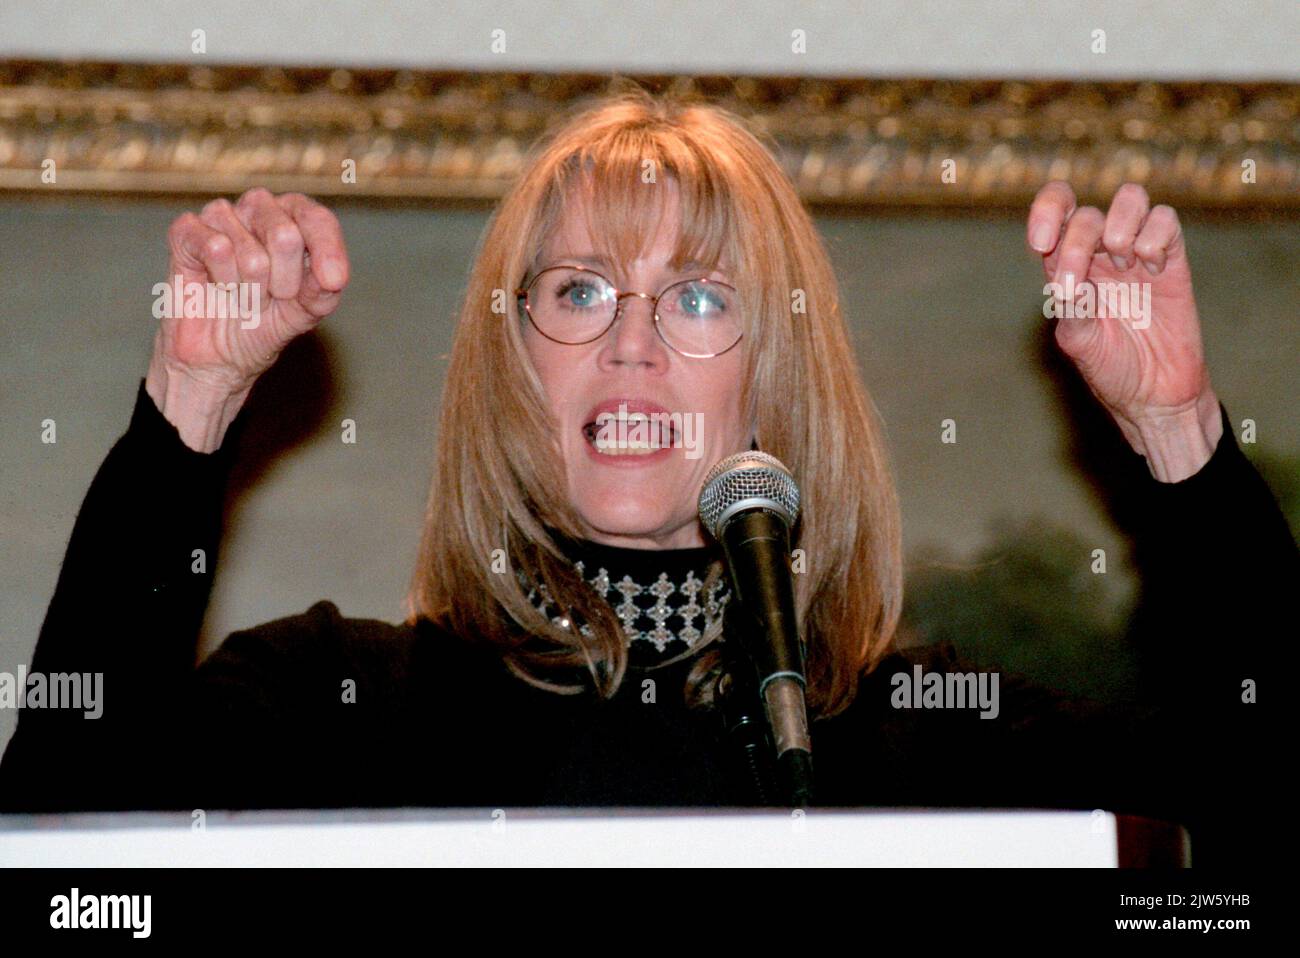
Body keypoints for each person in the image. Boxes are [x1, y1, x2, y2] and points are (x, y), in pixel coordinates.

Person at [1, 88, 1291, 868]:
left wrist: (1179, 430)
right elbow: (57, 855)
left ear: (776, 369)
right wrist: (189, 408)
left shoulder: (928, 736)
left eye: (697, 295)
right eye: (577, 291)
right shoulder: (335, 706)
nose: (629, 340)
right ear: (512, 367)